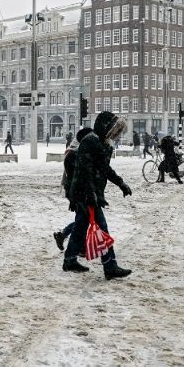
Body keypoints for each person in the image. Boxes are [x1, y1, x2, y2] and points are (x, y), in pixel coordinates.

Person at [63, 111, 133, 280]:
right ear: (106, 127)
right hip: (86, 193)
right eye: (114, 130)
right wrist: (91, 193)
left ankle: (70, 260)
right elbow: (84, 170)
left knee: (80, 227)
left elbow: (105, 169)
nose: (116, 134)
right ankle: (110, 265)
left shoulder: (102, 142)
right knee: (102, 228)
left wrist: (120, 183)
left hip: (88, 192)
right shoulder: (90, 141)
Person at [53, 127, 94, 251]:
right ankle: (77, 244)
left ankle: (64, 236)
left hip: (78, 191)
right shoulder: (73, 154)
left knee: (82, 218)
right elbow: (72, 178)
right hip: (76, 192)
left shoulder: (78, 152)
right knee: (83, 218)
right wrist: (73, 197)